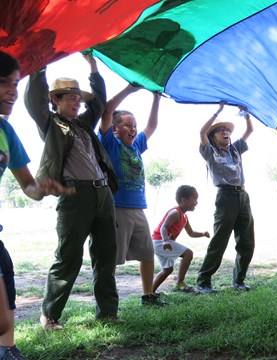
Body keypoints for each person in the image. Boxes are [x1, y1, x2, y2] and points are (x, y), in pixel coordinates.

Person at [24, 51, 121, 329]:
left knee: (106, 256)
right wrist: (38, 66)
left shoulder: (83, 125)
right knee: (68, 258)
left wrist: (92, 65)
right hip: (75, 196)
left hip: (103, 194)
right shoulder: (51, 124)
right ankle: (50, 316)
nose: (77, 101)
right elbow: (34, 101)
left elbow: (100, 102)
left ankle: (108, 313)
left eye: (79, 97)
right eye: (70, 96)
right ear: (55, 101)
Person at [0, 50, 68, 359]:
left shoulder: (5, 132)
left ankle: (7, 350)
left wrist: (41, 188)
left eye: (15, 83)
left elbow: (27, 184)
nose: (12, 92)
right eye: (3, 83)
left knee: (3, 318)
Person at [98, 84, 163, 306]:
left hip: (138, 208)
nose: (133, 129)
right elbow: (107, 111)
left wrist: (156, 97)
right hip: (117, 208)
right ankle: (106, 302)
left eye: (134, 125)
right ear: (115, 129)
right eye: (127, 125)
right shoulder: (110, 143)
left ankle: (148, 295)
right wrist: (128, 89)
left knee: (147, 253)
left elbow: (152, 125)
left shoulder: (136, 146)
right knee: (112, 259)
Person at [196, 101, 254, 293]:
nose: (225, 133)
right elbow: (201, 133)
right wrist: (218, 111)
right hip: (225, 197)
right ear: (213, 136)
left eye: (227, 130)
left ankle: (239, 280)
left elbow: (250, 130)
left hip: (242, 196)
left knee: (246, 241)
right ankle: (203, 281)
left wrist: (246, 114)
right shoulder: (209, 151)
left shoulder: (236, 149)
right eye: (220, 131)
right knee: (219, 241)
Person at [151, 185, 210, 293]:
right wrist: (165, 240)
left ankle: (150, 294)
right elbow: (164, 227)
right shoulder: (175, 213)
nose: (196, 202)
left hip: (161, 242)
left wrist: (202, 233)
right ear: (184, 200)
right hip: (159, 241)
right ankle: (180, 283)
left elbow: (191, 233)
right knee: (188, 253)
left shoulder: (184, 217)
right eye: (194, 199)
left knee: (167, 270)